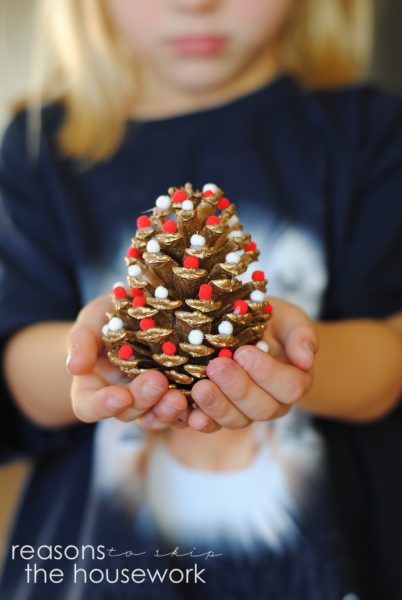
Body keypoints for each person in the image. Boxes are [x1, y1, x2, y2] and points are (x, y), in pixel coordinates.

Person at [0, 0, 401, 598]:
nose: (195, 4)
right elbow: (17, 368)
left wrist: (283, 356)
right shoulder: (39, 149)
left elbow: (386, 365)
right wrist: (106, 354)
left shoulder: (370, 132)